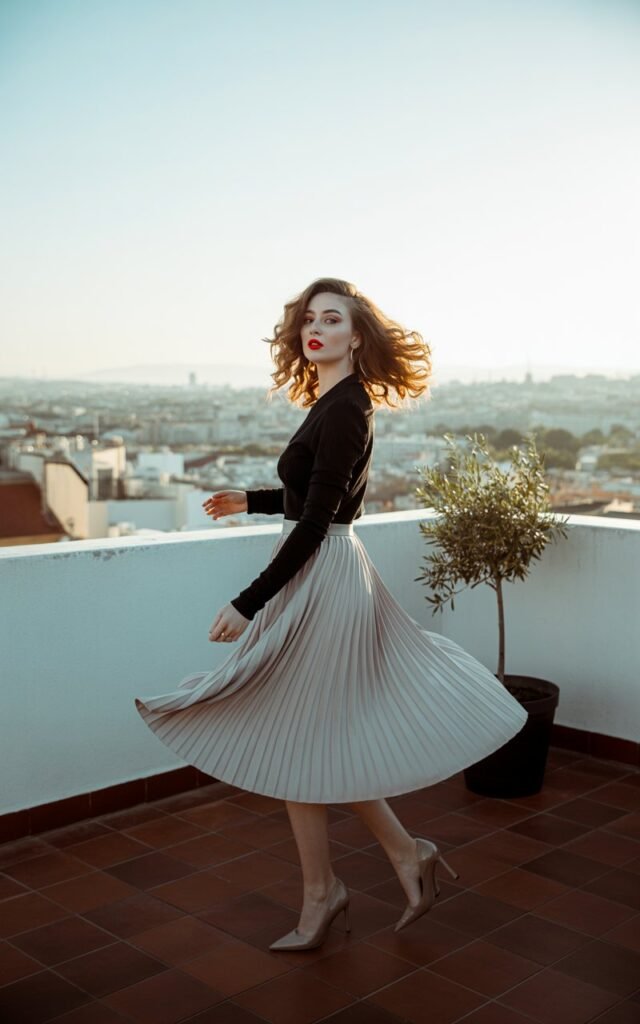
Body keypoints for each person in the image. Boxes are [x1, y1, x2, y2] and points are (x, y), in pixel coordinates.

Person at [134, 277, 528, 951]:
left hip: (325, 575)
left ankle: (335, 889)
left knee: (301, 738)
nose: (315, 328)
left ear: (357, 335)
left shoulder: (348, 407)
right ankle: (389, 863)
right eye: (310, 318)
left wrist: (245, 601)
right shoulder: (333, 402)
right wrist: (251, 501)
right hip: (322, 570)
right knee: (308, 740)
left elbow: (321, 520)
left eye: (332, 319)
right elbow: (316, 495)